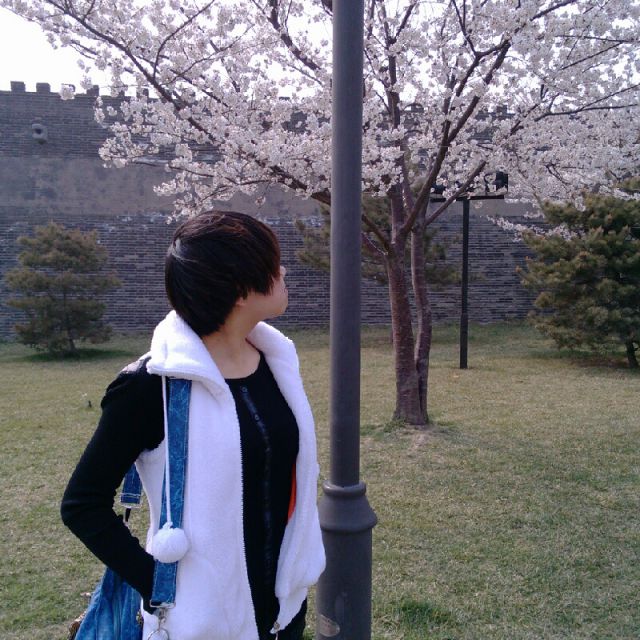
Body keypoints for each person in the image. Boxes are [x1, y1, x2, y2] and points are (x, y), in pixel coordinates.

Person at [61, 211, 326, 640]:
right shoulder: (151, 386)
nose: (283, 271)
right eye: (272, 262)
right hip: (201, 625)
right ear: (239, 288)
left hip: (285, 612)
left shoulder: (276, 363)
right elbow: (82, 504)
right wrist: (159, 586)